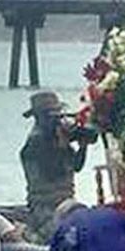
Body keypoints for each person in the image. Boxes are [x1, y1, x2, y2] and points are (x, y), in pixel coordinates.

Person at [21, 91, 95, 238]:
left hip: (67, 200)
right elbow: (53, 173)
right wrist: (63, 144)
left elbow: (76, 166)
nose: (56, 121)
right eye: (51, 117)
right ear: (38, 117)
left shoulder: (57, 135)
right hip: (44, 208)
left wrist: (83, 145)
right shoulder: (35, 142)